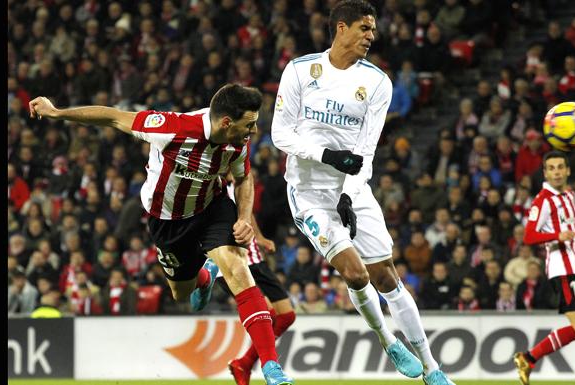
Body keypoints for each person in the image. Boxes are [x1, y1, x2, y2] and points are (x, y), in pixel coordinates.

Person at [28, 84, 293, 385]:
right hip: (168, 221)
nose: (255, 131)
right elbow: (114, 117)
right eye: (249, 124)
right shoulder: (173, 128)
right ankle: (204, 276)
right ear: (226, 122)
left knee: (238, 270)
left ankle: (272, 369)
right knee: (182, 292)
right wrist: (57, 112)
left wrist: (245, 217)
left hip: (212, 208)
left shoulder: (237, 141)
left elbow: (245, 178)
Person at [271, 1, 454, 384]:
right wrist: (327, 155)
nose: (371, 36)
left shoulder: (377, 82)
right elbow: (280, 134)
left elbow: (366, 151)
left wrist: (350, 194)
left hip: (351, 189)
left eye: (372, 29)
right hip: (307, 193)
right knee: (355, 274)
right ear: (341, 28)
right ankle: (388, 340)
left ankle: (433, 370)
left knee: (386, 276)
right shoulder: (301, 70)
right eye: (364, 28)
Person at [513, 151, 575, 385]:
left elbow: (572, 230)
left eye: (560, 167)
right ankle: (529, 357)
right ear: (545, 173)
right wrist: (557, 235)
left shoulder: (569, 194)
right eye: (551, 168)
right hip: (561, 270)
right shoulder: (543, 200)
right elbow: (529, 236)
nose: (556, 172)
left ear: (567, 171)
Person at [214, 175, 296, 385]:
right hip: (230, 257)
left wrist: (258, 237)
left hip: (253, 256)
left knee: (286, 315)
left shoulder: (237, 182)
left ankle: (244, 362)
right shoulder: (211, 183)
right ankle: (264, 366)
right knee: (266, 312)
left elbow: (246, 210)